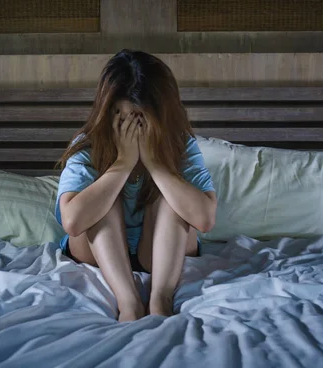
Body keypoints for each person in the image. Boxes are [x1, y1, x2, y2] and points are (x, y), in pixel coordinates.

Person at [55, 49, 217, 322]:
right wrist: (122, 164)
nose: (133, 127)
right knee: (101, 200)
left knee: (171, 200)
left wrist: (155, 162)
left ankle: (160, 297)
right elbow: (72, 222)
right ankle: (128, 300)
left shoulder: (178, 144)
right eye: (123, 117)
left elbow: (204, 219)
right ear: (108, 112)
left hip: (159, 249)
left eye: (141, 118)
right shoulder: (90, 144)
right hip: (96, 251)